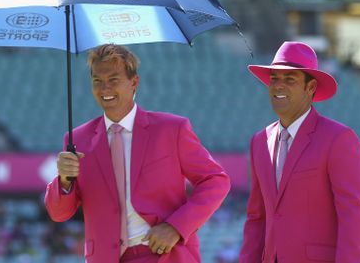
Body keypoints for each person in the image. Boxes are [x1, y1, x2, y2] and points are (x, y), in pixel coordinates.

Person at [45, 44, 230, 263]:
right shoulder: (77, 140)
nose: (105, 89)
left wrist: (176, 227)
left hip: (167, 255)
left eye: (114, 80)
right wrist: (64, 180)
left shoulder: (171, 129)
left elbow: (216, 181)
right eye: (97, 81)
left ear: (134, 82)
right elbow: (59, 213)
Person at [239, 41, 360, 263]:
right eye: (274, 79)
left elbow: (354, 218)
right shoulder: (259, 142)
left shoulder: (338, 139)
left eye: (290, 79)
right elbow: (257, 218)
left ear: (310, 88)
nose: (279, 86)